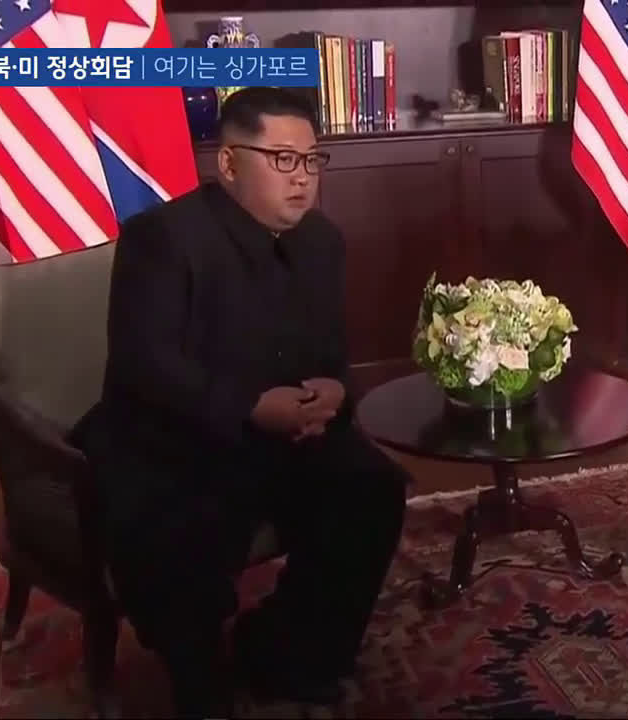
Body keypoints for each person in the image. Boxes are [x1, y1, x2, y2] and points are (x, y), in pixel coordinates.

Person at [70, 87, 410, 716]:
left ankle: (289, 652)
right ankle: (200, 685)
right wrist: (248, 407)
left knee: (373, 489)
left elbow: (330, 352)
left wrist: (336, 388)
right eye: (282, 159)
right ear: (228, 163)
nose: (302, 178)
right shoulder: (162, 238)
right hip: (174, 436)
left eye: (311, 160)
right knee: (177, 537)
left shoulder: (322, 241)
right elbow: (146, 366)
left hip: (286, 431)